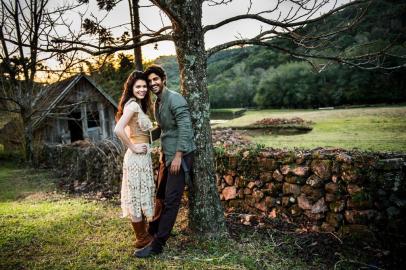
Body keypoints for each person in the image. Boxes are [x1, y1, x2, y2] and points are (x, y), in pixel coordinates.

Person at [134, 65, 196, 258]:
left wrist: (178, 155)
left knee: (171, 201)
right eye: (150, 81)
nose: (152, 84)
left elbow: (185, 128)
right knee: (159, 196)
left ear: (163, 79)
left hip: (181, 157)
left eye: (155, 79)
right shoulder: (157, 103)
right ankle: (153, 231)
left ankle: (157, 245)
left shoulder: (175, 99)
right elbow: (163, 128)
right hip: (166, 156)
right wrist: (139, 138)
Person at [114, 71, 155, 253]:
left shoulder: (138, 106)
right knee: (136, 197)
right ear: (131, 88)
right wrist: (133, 147)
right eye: (138, 86)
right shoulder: (132, 105)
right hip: (136, 158)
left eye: (144, 86)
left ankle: (143, 234)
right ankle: (141, 238)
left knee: (139, 195)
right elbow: (118, 129)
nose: (142, 89)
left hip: (142, 159)